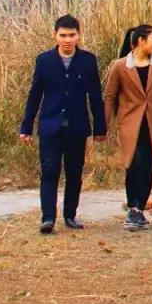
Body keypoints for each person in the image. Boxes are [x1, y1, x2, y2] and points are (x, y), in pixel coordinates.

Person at [19, 14, 107, 233]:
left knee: (74, 173)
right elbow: (34, 95)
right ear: (55, 36)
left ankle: (70, 215)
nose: (67, 40)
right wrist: (26, 127)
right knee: (49, 171)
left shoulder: (88, 61)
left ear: (79, 36)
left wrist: (100, 127)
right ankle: (48, 217)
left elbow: (95, 96)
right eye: (63, 35)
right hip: (50, 126)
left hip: (77, 127)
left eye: (72, 35)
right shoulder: (44, 61)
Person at [103, 24, 152, 232]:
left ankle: (139, 210)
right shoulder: (120, 66)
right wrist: (103, 124)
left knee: (149, 165)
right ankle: (134, 207)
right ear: (140, 41)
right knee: (134, 163)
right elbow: (110, 96)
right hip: (130, 124)